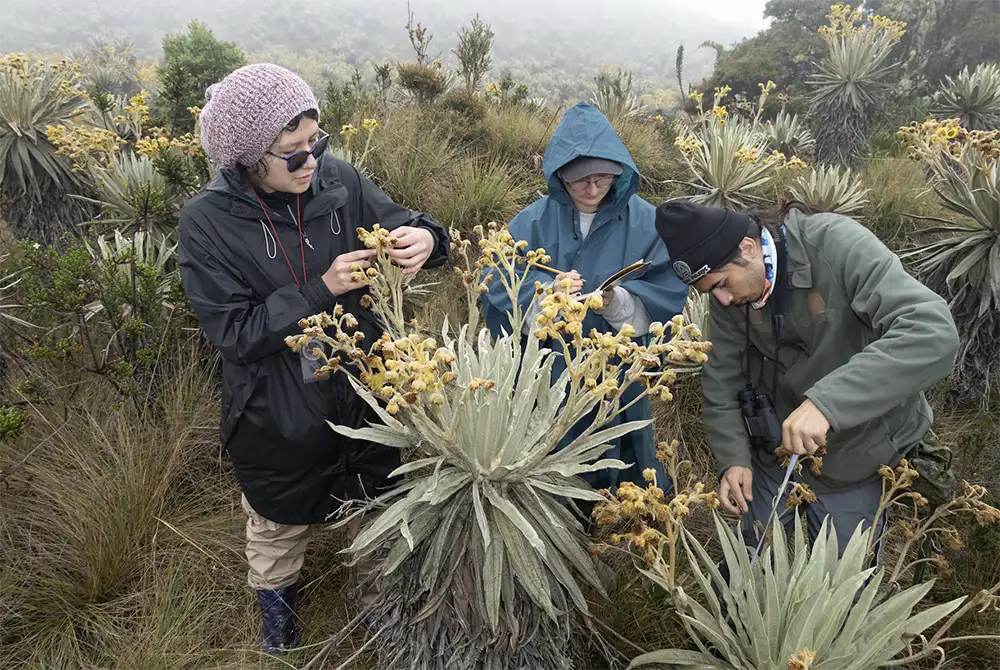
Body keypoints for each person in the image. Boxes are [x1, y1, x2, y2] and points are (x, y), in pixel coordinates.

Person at [177, 63, 449, 654]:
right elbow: (235, 332)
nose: (311, 161)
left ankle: (381, 617)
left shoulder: (340, 181)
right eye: (292, 152)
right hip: (276, 414)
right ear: (250, 158)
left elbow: (405, 225)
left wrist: (428, 239)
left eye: (315, 143)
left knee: (375, 513)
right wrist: (321, 289)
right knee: (277, 528)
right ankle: (279, 639)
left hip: (366, 393)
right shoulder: (206, 222)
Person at [654, 199, 959, 557]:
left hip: (856, 454)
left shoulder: (836, 244)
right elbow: (722, 378)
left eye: (722, 284)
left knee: (838, 587)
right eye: (710, 292)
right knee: (752, 565)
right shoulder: (730, 297)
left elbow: (932, 332)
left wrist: (828, 404)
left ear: (748, 248)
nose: (721, 299)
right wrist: (733, 458)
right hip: (773, 455)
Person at [481, 102, 688, 502]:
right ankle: (553, 509)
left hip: (617, 369)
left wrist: (616, 301)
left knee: (621, 448)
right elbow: (496, 278)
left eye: (603, 178)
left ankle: (618, 516)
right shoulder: (531, 222)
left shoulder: (648, 222)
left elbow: (666, 288)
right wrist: (544, 294)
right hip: (549, 365)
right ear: (559, 176)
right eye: (580, 180)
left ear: (620, 172)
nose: (593, 189)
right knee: (548, 446)